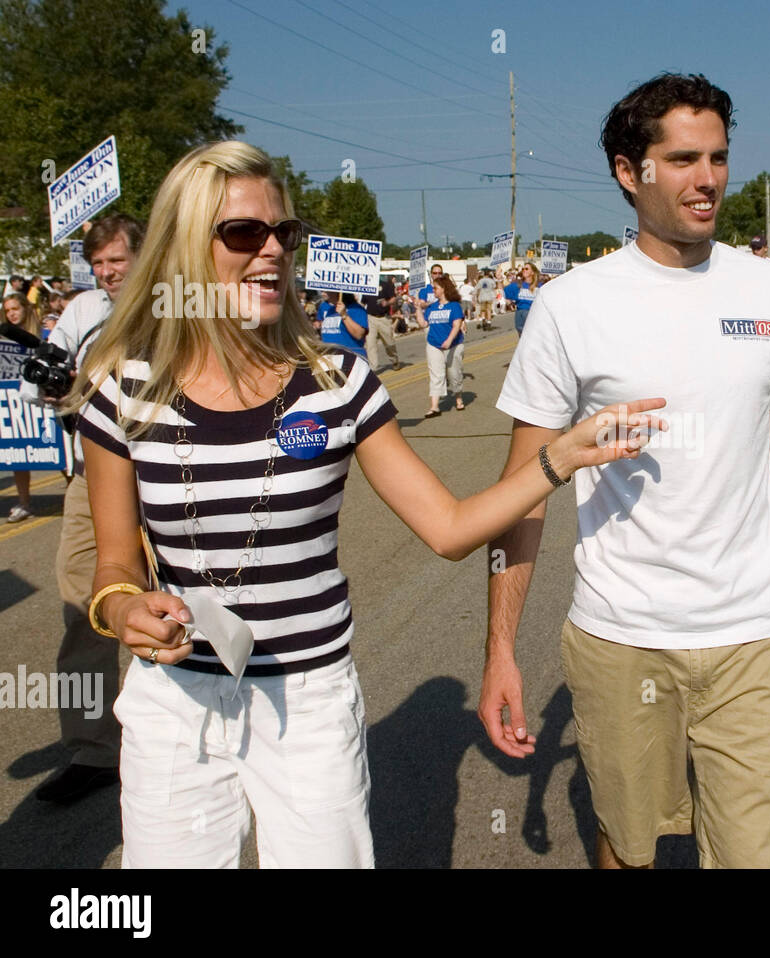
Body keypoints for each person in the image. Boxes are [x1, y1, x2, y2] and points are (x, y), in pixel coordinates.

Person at [65, 140, 662, 868]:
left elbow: (447, 529)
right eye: (244, 233)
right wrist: (123, 608)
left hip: (307, 702)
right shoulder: (122, 387)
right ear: (187, 248)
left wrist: (559, 456)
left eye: (285, 233)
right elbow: (116, 563)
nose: (273, 252)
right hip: (175, 706)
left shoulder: (336, 380)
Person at [479, 73, 770, 870]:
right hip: (621, 637)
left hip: (752, 637)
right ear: (628, 172)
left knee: (751, 857)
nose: (707, 179)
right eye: (681, 160)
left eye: (718, 158)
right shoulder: (571, 306)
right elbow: (521, 493)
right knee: (629, 849)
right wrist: (500, 649)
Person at [18, 213, 144, 802]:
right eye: (97, 265)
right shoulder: (82, 309)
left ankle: (189, 728)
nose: (105, 274)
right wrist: (45, 378)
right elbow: (41, 375)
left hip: (163, 473)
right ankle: (93, 750)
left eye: (115, 261)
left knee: (178, 602)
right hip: (88, 478)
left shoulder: (176, 304)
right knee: (83, 609)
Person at [3, 292, 41, 521]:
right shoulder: (4, 340)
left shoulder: (41, 336)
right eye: (7, 310)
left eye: (15, 308)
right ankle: (24, 502)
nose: (11, 314)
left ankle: (75, 495)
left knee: (59, 456)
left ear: (25, 308)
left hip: (41, 403)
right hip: (14, 406)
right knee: (19, 455)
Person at [420, 273, 466, 416]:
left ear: (443, 289)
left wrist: (449, 341)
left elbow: (457, 325)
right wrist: (417, 309)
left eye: (435, 288)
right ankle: (434, 407)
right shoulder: (432, 307)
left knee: (454, 374)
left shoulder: (454, 306)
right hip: (434, 344)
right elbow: (423, 323)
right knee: (436, 374)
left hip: (453, 345)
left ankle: (458, 397)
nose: (433, 291)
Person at [362, 274, 403, 372]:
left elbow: (393, 298)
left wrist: (387, 303)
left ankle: (394, 360)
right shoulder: (367, 287)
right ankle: (373, 368)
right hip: (371, 317)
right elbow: (363, 302)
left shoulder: (386, 285)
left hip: (384, 318)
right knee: (370, 344)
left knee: (389, 343)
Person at [319, 291, 368, 358]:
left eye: (328, 292)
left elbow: (359, 334)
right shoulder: (330, 310)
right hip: (329, 357)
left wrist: (344, 315)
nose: (323, 294)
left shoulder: (356, 309)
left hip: (350, 357)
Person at [503, 261, 540, 337]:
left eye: (526, 269)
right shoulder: (517, 284)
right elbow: (504, 293)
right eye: (523, 269)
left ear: (532, 272)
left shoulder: (539, 286)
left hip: (533, 313)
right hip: (520, 313)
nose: (524, 270)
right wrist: (499, 280)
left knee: (531, 337)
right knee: (522, 338)